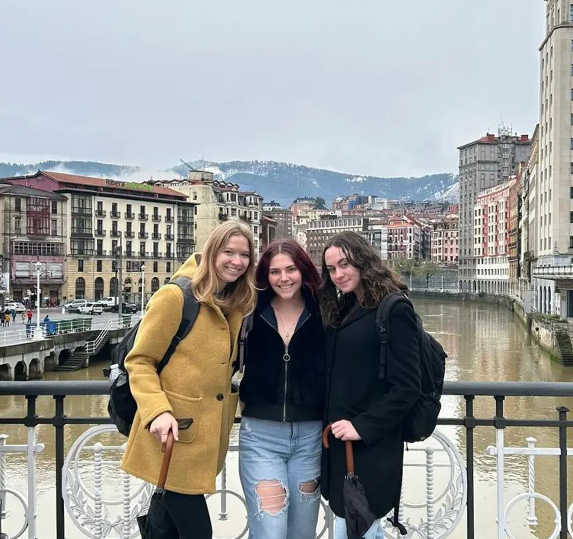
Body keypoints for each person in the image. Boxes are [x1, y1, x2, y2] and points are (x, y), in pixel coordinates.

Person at [120, 221, 257, 539]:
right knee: (199, 533)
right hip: (174, 434)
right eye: (228, 252)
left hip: (203, 438)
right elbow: (139, 361)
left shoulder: (233, 303)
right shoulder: (175, 296)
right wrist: (157, 411)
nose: (237, 261)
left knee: (169, 530)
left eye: (244, 255)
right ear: (211, 252)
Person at [319, 231, 421, 539]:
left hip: (370, 448)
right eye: (331, 269)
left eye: (345, 265)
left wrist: (362, 426)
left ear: (364, 261)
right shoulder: (347, 305)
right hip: (342, 448)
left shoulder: (393, 309)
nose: (338, 275)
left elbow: (407, 387)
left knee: (354, 527)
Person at [238, 239, 325, 539]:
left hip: (311, 437)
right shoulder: (249, 310)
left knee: (302, 533)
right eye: (275, 272)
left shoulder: (325, 311)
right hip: (261, 437)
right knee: (269, 532)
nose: (284, 278)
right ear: (265, 275)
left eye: (291, 269)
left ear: (303, 270)